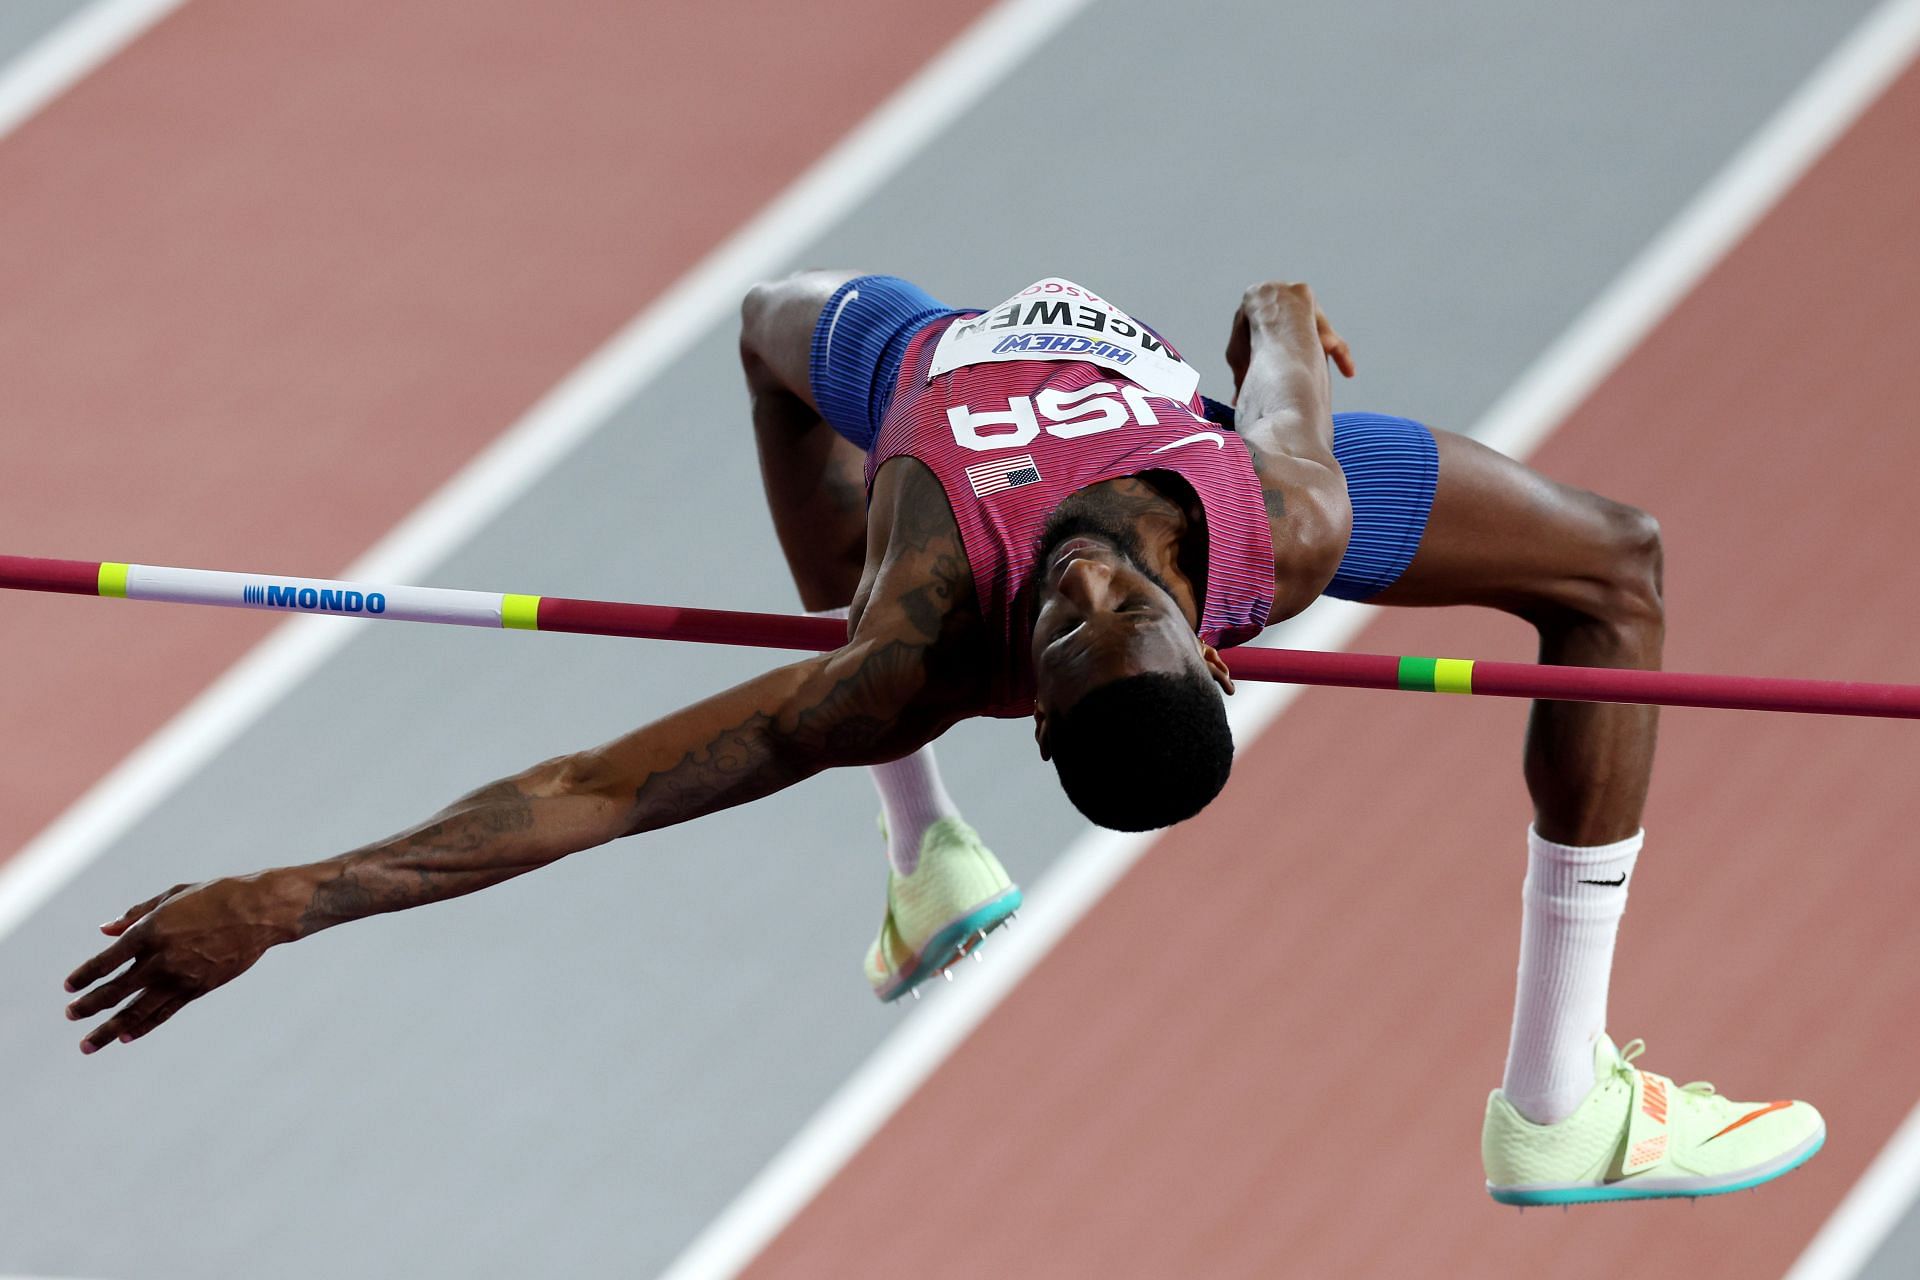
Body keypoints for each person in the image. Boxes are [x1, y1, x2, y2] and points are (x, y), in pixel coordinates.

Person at [65, 272, 1823, 1204]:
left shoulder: (1034, 605)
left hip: (933, 360)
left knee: (771, 327)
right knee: (1624, 563)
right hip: (1135, 438)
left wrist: (287, 898)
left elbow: (591, 786)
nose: (1074, 594)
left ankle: (1552, 1108)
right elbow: (1281, 370)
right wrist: (1276, 313)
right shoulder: (1190, 548)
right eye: (1087, 621)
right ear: (1205, 650)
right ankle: (924, 854)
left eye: (1071, 634)